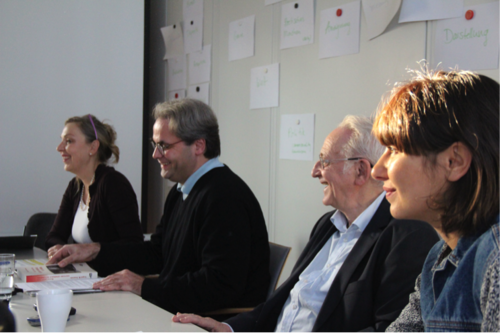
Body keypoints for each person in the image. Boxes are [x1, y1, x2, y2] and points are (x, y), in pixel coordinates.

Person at [172, 115, 439, 332]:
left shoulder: (406, 236)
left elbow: (388, 329)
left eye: (324, 161)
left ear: (360, 171)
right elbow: (280, 304)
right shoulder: (327, 225)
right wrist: (227, 329)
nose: (315, 171)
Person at [47, 99, 270, 314]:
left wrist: (143, 287)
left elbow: (218, 286)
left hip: (209, 320)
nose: (155, 155)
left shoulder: (224, 197)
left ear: (199, 145)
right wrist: (95, 250)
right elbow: (156, 254)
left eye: (164, 146)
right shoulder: (181, 190)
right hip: (178, 311)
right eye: (155, 145)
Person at [371, 69, 500, 332]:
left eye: (394, 150)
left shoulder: (495, 260)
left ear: (455, 161)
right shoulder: (438, 258)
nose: (377, 170)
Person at [46, 114, 143, 255]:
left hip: (110, 275)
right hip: (83, 275)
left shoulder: (114, 184)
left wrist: (89, 252)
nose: (59, 148)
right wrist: (62, 250)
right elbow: (53, 237)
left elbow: (134, 244)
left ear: (93, 147)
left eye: (68, 141)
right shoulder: (75, 186)